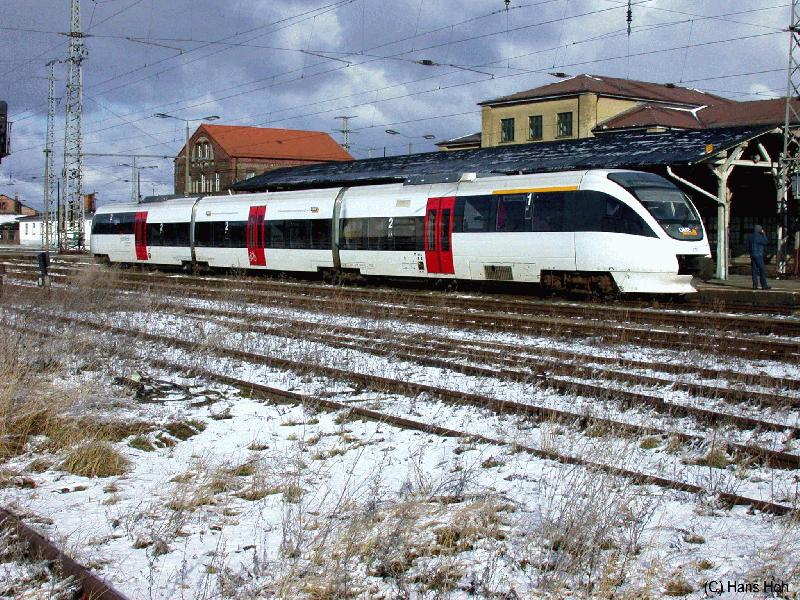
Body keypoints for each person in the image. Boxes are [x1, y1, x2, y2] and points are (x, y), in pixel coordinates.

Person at [746, 224, 770, 290]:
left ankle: (755, 285)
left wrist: (750, 252)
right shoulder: (760, 237)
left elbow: (747, 247)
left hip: (752, 255)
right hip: (759, 255)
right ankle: (764, 285)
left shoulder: (750, 237)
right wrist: (764, 234)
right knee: (762, 270)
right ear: (759, 230)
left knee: (754, 270)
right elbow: (766, 242)